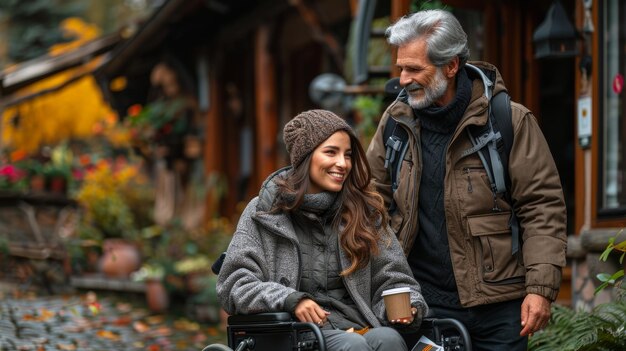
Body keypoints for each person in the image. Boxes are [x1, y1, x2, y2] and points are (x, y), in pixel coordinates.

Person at [365, 9, 567, 351]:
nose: (403, 79)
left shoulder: (508, 120)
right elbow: (370, 202)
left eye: (414, 69)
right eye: (401, 68)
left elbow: (541, 208)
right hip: (421, 303)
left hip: (499, 304)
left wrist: (539, 289)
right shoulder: (394, 124)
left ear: (451, 66)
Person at [217, 109, 428, 351]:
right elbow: (234, 285)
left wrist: (408, 306)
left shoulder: (363, 211)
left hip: (357, 326)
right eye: (331, 152)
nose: (343, 164)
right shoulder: (264, 212)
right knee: (353, 346)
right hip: (294, 335)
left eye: (348, 155)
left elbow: (394, 279)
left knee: (389, 340)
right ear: (305, 158)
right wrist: (289, 300)